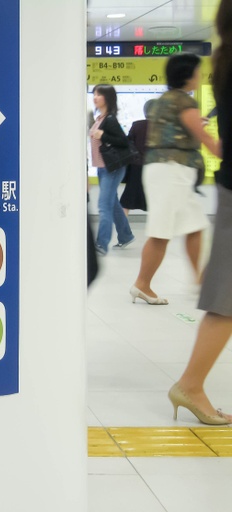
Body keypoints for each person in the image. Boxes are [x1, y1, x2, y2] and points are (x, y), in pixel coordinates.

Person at [168, 0, 232, 425]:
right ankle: (190, 385)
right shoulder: (184, 100)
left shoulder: (223, 65)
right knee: (226, 299)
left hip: (220, 184)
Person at [130, 53, 222, 305]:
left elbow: (181, 129)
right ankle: (142, 283)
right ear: (188, 75)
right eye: (197, 71)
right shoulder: (183, 101)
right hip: (172, 172)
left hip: (167, 171)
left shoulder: (165, 100)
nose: (200, 76)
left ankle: (200, 280)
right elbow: (206, 139)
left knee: (194, 224)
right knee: (161, 231)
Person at [89, 84, 135, 255]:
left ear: (107, 98)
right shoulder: (99, 118)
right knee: (112, 203)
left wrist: (103, 135)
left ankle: (101, 244)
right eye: (94, 94)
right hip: (103, 167)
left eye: (99, 94)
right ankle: (126, 235)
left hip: (112, 169)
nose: (95, 97)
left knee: (104, 205)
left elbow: (123, 141)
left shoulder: (110, 120)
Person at [120, 99, 157, 214]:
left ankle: (122, 224)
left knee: (127, 199)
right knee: (155, 199)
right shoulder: (161, 127)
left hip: (136, 167)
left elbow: (128, 143)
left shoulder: (137, 125)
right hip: (154, 167)